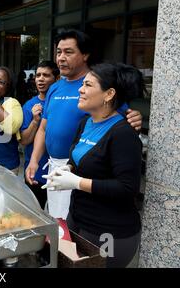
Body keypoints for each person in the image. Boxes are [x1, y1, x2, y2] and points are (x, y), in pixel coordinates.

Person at [25, 29, 142, 220]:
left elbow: (121, 118)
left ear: (85, 55)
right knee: (57, 220)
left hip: (86, 172)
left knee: (74, 221)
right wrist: (34, 160)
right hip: (59, 167)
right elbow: (44, 128)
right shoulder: (55, 87)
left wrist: (134, 118)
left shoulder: (100, 87)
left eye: (68, 52)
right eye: (58, 52)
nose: (61, 58)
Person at [42, 63, 144, 268]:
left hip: (109, 231)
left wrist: (78, 182)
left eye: (87, 85)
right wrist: (68, 169)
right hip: (78, 219)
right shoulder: (86, 123)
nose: (80, 89)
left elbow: (127, 188)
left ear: (109, 94)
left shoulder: (123, 133)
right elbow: (78, 158)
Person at [19, 61, 59, 208]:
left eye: (46, 75)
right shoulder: (29, 105)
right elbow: (24, 140)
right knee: (35, 217)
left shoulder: (61, 103)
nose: (40, 79)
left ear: (57, 78)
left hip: (61, 172)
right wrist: (35, 121)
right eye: (38, 75)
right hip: (35, 172)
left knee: (61, 219)